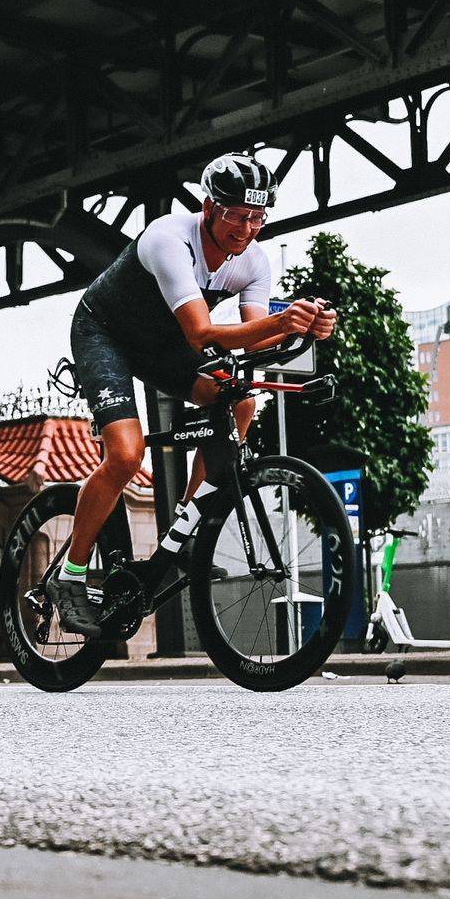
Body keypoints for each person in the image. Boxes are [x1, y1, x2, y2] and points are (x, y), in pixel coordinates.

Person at [50, 154, 337, 638]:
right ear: (208, 207)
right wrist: (283, 322)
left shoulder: (254, 261)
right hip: (107, 336)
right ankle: (70, 576)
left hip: (166, 347)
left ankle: (184, 531)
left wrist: (307, 331)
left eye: (257, 218)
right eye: (236, 216)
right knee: (125, 455)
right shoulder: (169, 238)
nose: (247, 229)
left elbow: (251, 335)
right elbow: (203, 330)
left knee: (239, 400)